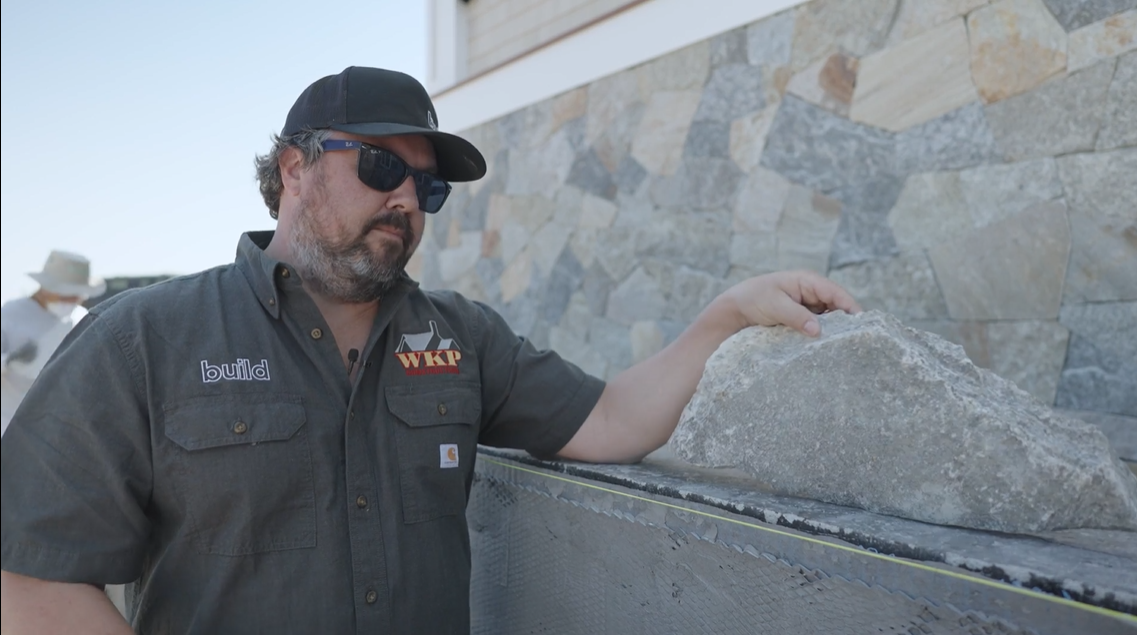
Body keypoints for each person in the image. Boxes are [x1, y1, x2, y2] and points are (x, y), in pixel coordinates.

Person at [0, 67, 861, 634]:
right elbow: (30, 577)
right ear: (294, 169)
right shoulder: (142, 338)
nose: (407, 196)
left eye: (429, 184)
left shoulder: (459, 337)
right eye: (380, 166)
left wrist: (722, 316)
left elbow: (611, 417)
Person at [1, 250, 103, 438]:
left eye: (77, 295)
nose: (71, 301)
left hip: (57, 427)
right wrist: (9, 361)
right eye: (66, 294)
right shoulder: (8, 314)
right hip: (8, 422)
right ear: (46, 287)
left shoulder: (81, 318)